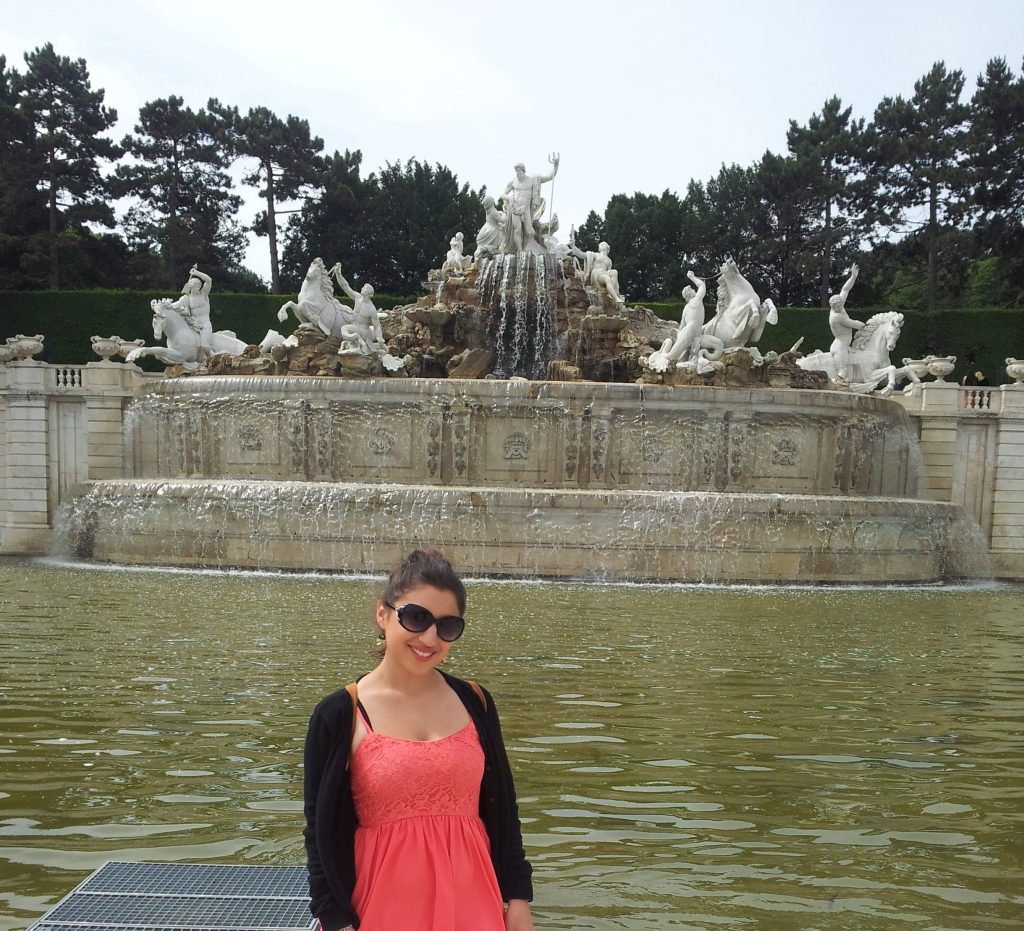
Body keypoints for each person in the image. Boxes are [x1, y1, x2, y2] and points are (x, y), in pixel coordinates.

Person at [303, 549, 535, 931]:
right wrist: (334, 918)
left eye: (447, 626)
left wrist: (519, 898)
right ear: (382, 614)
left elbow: (504, 809)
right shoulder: (340, 713)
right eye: (416, 617)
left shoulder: (476, 701)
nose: (430, 637)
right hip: (382, 906)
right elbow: (318, 832)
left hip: (474, 901)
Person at [500, 156, 558, 253]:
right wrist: (509, 198)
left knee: (529, 231)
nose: (517, 174)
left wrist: (556, 165)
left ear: (523, 170)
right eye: (516, 171)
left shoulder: (532, 180)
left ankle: (527, 246)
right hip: (515, 209)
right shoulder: (513, 182)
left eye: (518, 171)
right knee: (517, 230)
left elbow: (549, 177)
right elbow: (503, 194)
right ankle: (520, 250)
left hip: (526, 209)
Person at [827, 264, 863, 381]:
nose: (840, 307)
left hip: (844, 345)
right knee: (843, 371)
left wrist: (853, 276)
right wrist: (865, 325)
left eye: (841, 305)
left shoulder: (839, 305)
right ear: (833, 307)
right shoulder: (837, 317)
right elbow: (854, 324)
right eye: (838, 307)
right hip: (840, 347)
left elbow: (845, 289)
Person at [568, 233, 625, 305]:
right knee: (607, 278)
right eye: (601, 245)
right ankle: (615, 297)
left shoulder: (609, 260)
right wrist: (573, 246)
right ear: (599, 248)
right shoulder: (594, 255)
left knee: (614, 272)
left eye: (604, 244)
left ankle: (610, 293)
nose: (602, 245)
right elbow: (581, 254)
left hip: (604, 274)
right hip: (596, 274)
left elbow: (609, 271)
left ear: (607, 248)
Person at [171, 265, 213, 361]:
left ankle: (211, 361)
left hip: (205, 324)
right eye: (196, 285)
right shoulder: (186, 299)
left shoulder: (204, 294)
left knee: (204, 345)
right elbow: (173, 306)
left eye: (199, 285)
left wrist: (196, 273)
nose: (198, 286)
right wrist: (162, 306)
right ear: (190, 286)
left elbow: (208, 280)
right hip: (193, 326)